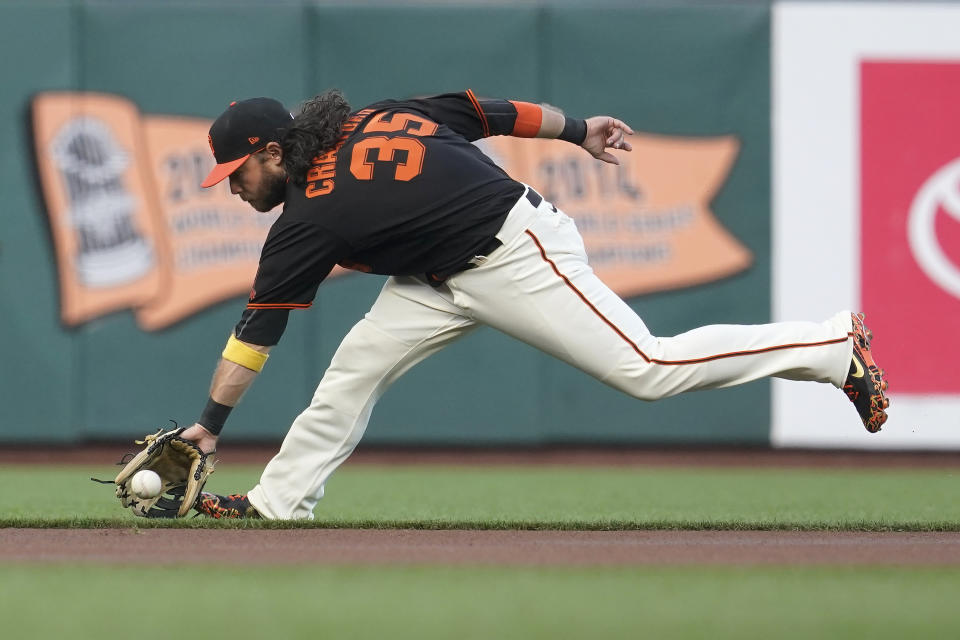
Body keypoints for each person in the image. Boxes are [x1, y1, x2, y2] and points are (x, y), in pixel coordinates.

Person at [181, 89, 889, 519]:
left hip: (514, 250)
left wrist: (209, 426)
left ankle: (828, 347)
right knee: (353, 371)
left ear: (273, 150)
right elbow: (486, 112)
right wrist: (577, 128)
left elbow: (255, 338)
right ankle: (278, 504)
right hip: (435, 279)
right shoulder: (377, 116)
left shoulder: (308, 217)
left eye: (235, 172)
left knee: (646, 367)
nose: (233, 187)